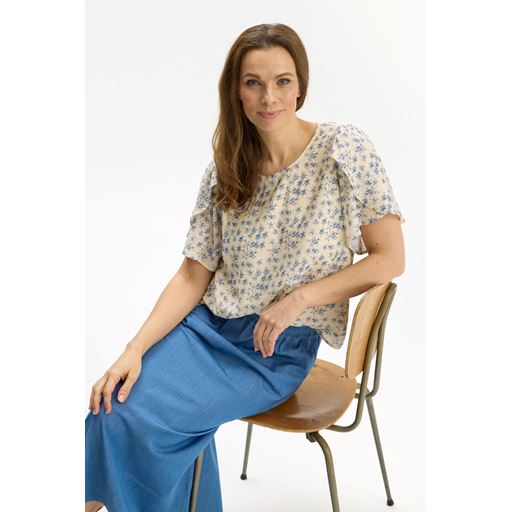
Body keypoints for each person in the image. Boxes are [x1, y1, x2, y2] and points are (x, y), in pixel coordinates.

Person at [85, 22, 406, 512]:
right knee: (110, 409)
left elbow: (390, 258)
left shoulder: (344, 150)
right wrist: (133, 349)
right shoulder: (226, 168)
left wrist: (298, 299)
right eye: (253, 82)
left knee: (150, 421)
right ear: (236, 91)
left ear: (300, 86)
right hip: (207, 331)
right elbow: (192, 275)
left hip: (274, 351)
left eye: (282, 81)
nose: (268, 97)